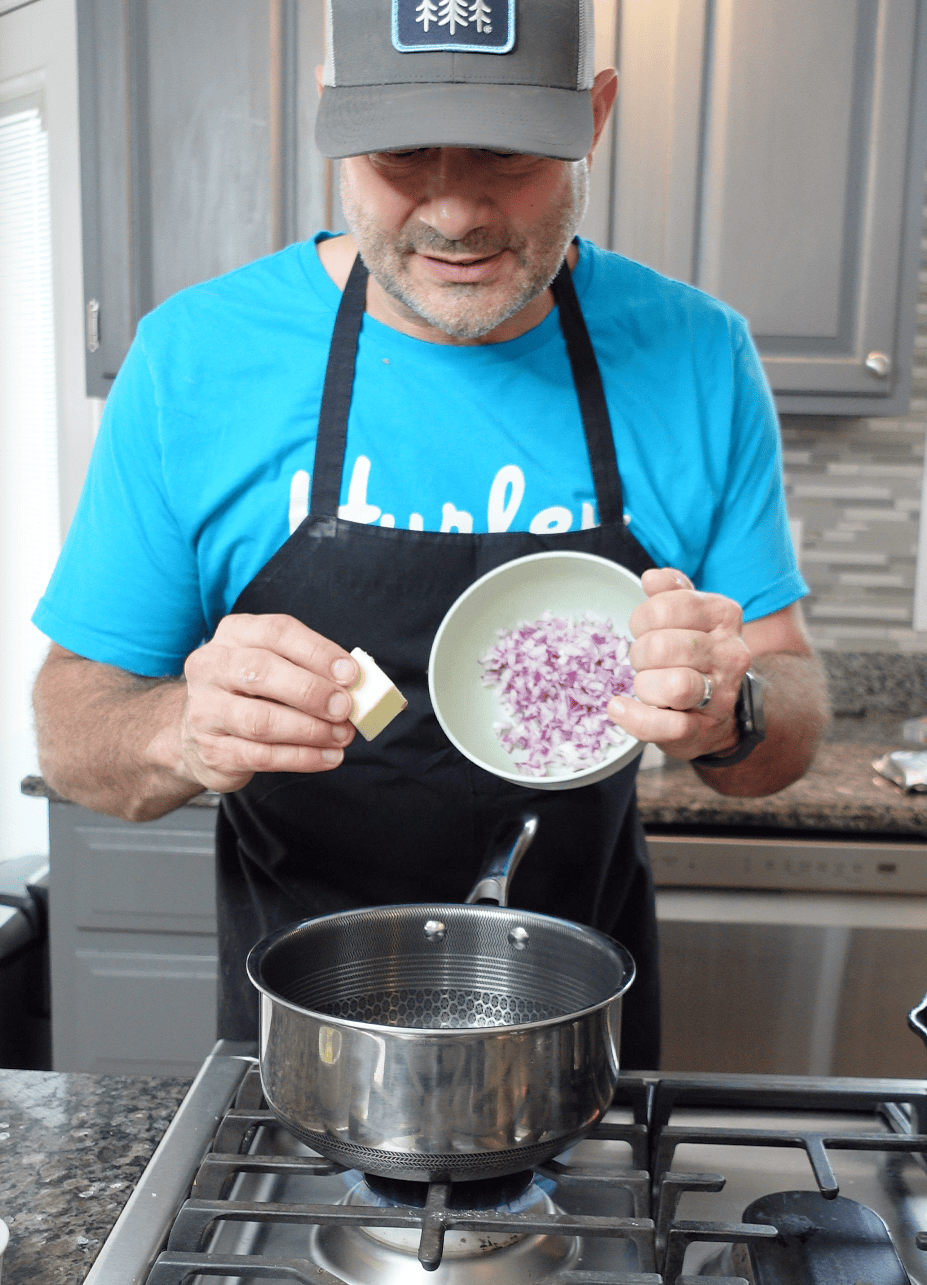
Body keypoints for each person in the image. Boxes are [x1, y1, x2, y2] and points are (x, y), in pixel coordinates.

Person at [31, 0, 828, 1070]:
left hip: (581, 1040)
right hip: (306, 1047)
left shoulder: (696, 355)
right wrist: (184, 730)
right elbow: (69, 735)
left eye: (507, 152)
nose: (454, 212)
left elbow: (792, 716)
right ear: (332, 125)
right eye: (401, 153)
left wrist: (733, 708)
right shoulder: (193, 358)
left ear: (594, 118)